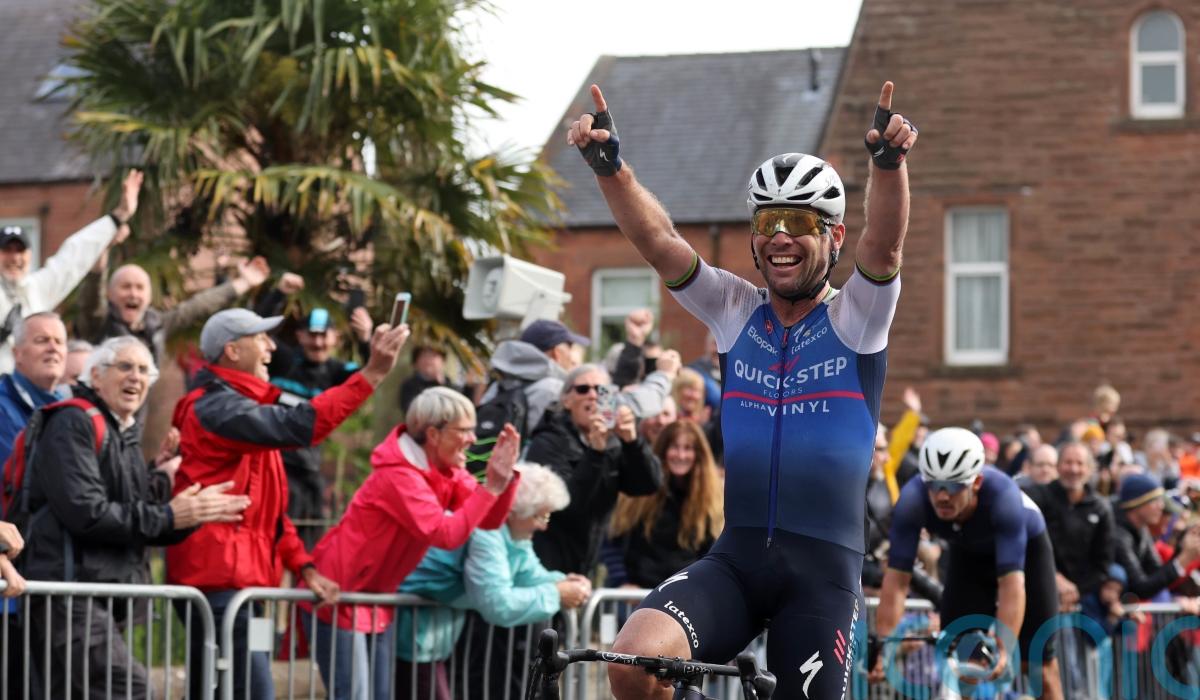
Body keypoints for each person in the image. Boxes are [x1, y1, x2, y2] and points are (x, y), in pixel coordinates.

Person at [567, 77, 916, 698]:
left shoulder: (857, 318)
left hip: (822, 579)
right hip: (736, 560)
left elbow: (884, 246)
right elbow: (659, 243)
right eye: (767, 220)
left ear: (834, 236)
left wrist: (887, 166)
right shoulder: (735, 310)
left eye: (798, 221)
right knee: (632, 664)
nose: (780, 235)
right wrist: (610, 169)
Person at [165, 308, 409, 700]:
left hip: (245, 587)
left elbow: (271, 516)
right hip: (220, 586)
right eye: (261, 338)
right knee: (248, 690)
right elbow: (301, 425)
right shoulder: (217, 407)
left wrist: (305, 568)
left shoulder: (242, 409)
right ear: (232, 350)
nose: (272, 347)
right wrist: (372, 374)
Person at [23, 336, 249, 699]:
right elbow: (88, 514)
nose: (136, 377)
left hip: (99, 598)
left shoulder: (122, 432)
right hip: (69, 596)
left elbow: (138, 514)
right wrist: (170, 515)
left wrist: (187, 509)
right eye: (125, 367)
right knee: (132, 690)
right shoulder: (72, 422)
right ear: (96, 377)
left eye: (144, 370)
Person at [299, 387, 520, 700]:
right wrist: (492, 487)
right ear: (433, 434)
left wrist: (503, 480)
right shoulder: (399, 476)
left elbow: (488, 520)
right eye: (464, 430)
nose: (472, 439)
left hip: (374, 600)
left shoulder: (448, 472)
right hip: (338, 595)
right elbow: (446, 534)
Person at [871, 428, 1063, 700]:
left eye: (954, 486)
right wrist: (884, 645)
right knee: (966, 661)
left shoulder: (1003, 498)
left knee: (1037, 665)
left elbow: (1011, 585)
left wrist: (1004, 647)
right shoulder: (913, 500)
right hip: (969, 554)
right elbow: (897, 581)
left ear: (976, 482)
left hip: (1026, 556)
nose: (942, 496)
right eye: (934, 485)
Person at [400, 462, 588, 700]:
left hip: (428, 639)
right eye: (540, 515)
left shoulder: (510, 534)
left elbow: (527, 573)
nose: (544, 525)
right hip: (406, 635)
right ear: (515, 511)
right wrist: (557, 593)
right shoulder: (487, 531)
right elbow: (497, 603)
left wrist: (566, 583)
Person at [256, 277, 375, 548]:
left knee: (311, 533)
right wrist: (279, 293)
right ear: (300, 336)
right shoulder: (283, 361)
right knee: (276, 533)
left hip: (310, 466)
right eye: (312, 335)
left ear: (335, 337)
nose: (318, 343)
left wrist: (366, 339)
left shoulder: (337, 372)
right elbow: (257, 331)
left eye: (324, 336)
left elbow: (371, 375)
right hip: (277, 462)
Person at [0, 171, 144, 374]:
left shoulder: (36, 289)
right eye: (7, 251)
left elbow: (72, 257)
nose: (15, 258)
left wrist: (118, 216)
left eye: (20, 251)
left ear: (29, 255)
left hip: (27, 388)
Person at [527, 363, 662, 576]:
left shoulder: (613, 442)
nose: (592, 395)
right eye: (583, 389)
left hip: (586, 564)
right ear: (566, 400)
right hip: (545, 563)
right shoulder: (547, 442)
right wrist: (595, 453)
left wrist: (632, 442)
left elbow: (647, 485)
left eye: (601, 390)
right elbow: (567, 506)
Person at [77, 257, 271, 364]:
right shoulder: (98, 323)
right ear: (109, 294)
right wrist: (99, 264)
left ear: (149, 297)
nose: (133, 293)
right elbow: (91, 300)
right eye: (126, 287)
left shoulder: (157, 324)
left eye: (139, 287)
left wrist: (243, 283)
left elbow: (198, 306)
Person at [609, 420, 723, 589]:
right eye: (674, 447)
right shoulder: (639, 491)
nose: (681, 455)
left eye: (688, 448)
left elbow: (712, 555)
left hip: (685, 594)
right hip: (637, 594)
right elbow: (613, 541)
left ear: (698, 454)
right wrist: (622, 582)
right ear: (663, 449)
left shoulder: (710, 500)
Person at [0, 313, 67, 464]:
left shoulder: (68, 410)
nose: (53, 348)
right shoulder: (3, 409)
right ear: (17, 353)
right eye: (42, 340)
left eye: (59, 341)